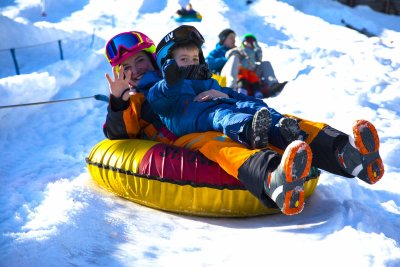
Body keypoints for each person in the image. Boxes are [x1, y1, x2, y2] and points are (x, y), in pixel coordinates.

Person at [102, 29, 384, 216]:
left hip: (217, 114)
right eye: (126, 67)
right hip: (182, 136)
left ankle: (344, 153)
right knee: (217, 144)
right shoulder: (132, 98)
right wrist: (118, 100)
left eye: (139, 61)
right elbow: (119, 133)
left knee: (284, 122)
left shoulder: (184, 74)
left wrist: (223, 93)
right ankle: (273, 178)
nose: (134, 70)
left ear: (153, 60)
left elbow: (227, 92)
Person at [148, 25, 298, 150]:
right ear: (168, 64)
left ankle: (282, 130)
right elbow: (160, 95)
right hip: (202, 115)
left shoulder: (207, 82)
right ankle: (249, 130)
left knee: (247, 105)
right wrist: (171, 81)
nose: (192, 63)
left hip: (229, 89)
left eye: (195, 59)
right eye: (184, 59)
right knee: (221, 114)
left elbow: (238, 99)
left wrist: (229, 97)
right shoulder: (165, 88)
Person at [206, 29, 287, 98]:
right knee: (234, 58)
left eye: (234, 38)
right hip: (225, 79)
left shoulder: (241, 49)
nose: (234, 40)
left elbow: (255, 60)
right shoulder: (217, 52)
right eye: (231, 38)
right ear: (223, 39)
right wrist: (227, 59)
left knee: (265, 63)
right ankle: (231, 88)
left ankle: (272, 86)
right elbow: (209, 64)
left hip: (246, 76)